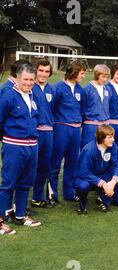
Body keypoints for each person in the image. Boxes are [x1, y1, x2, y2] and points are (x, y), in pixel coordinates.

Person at [0, 63, 41, 236]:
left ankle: (20, 215)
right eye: (25, 79)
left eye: (31, 79)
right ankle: (0, 221)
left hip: (32, 147)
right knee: (8, 184)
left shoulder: (33, 95)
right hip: (14, 146)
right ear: (17, 78)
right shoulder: (8, 96)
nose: (29, 83)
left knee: (25, 183)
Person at [48, 60, 86, 205]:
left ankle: (69, 193)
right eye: (81, 73)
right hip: (61, 128)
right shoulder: (57, 88)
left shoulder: (79, 89)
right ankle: (52, 194)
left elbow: (81, 109)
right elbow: (51, 109)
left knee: (72, 162)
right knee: (55, 162)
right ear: (74, 73)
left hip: (76, 130)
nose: (83, 76)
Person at [74, 125, 118, 214]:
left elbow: (117, 165)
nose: (113, 140)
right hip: (88, 177)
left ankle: (103, 200)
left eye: (113, 137)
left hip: (104, 174)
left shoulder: (113, 146)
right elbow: (84, 172)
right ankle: (82, 204)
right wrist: (102, 183)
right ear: (101, 138)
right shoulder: (89, 150)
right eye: (109, 137)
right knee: (83, 186)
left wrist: (112, 182)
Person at [31, 59, 56, 208]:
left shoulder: (51, 89)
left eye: (46, 71)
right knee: (29, 166)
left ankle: (37, 197)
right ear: (35, 71)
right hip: (34, 133)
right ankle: (16, 201)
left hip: (48, 133)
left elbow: (52, 110)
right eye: (40, 70)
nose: (43, 74)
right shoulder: (29, 87)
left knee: (44, 166)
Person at [80, 64, 111, 150]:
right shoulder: (86, 89)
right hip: (91, 125)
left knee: (102, 151)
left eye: (107, 77)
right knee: (88, 150)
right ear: (97, 75)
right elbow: (82, 108)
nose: (105, 79)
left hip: (104, 125)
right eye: (103, 76)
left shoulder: (107, 89)